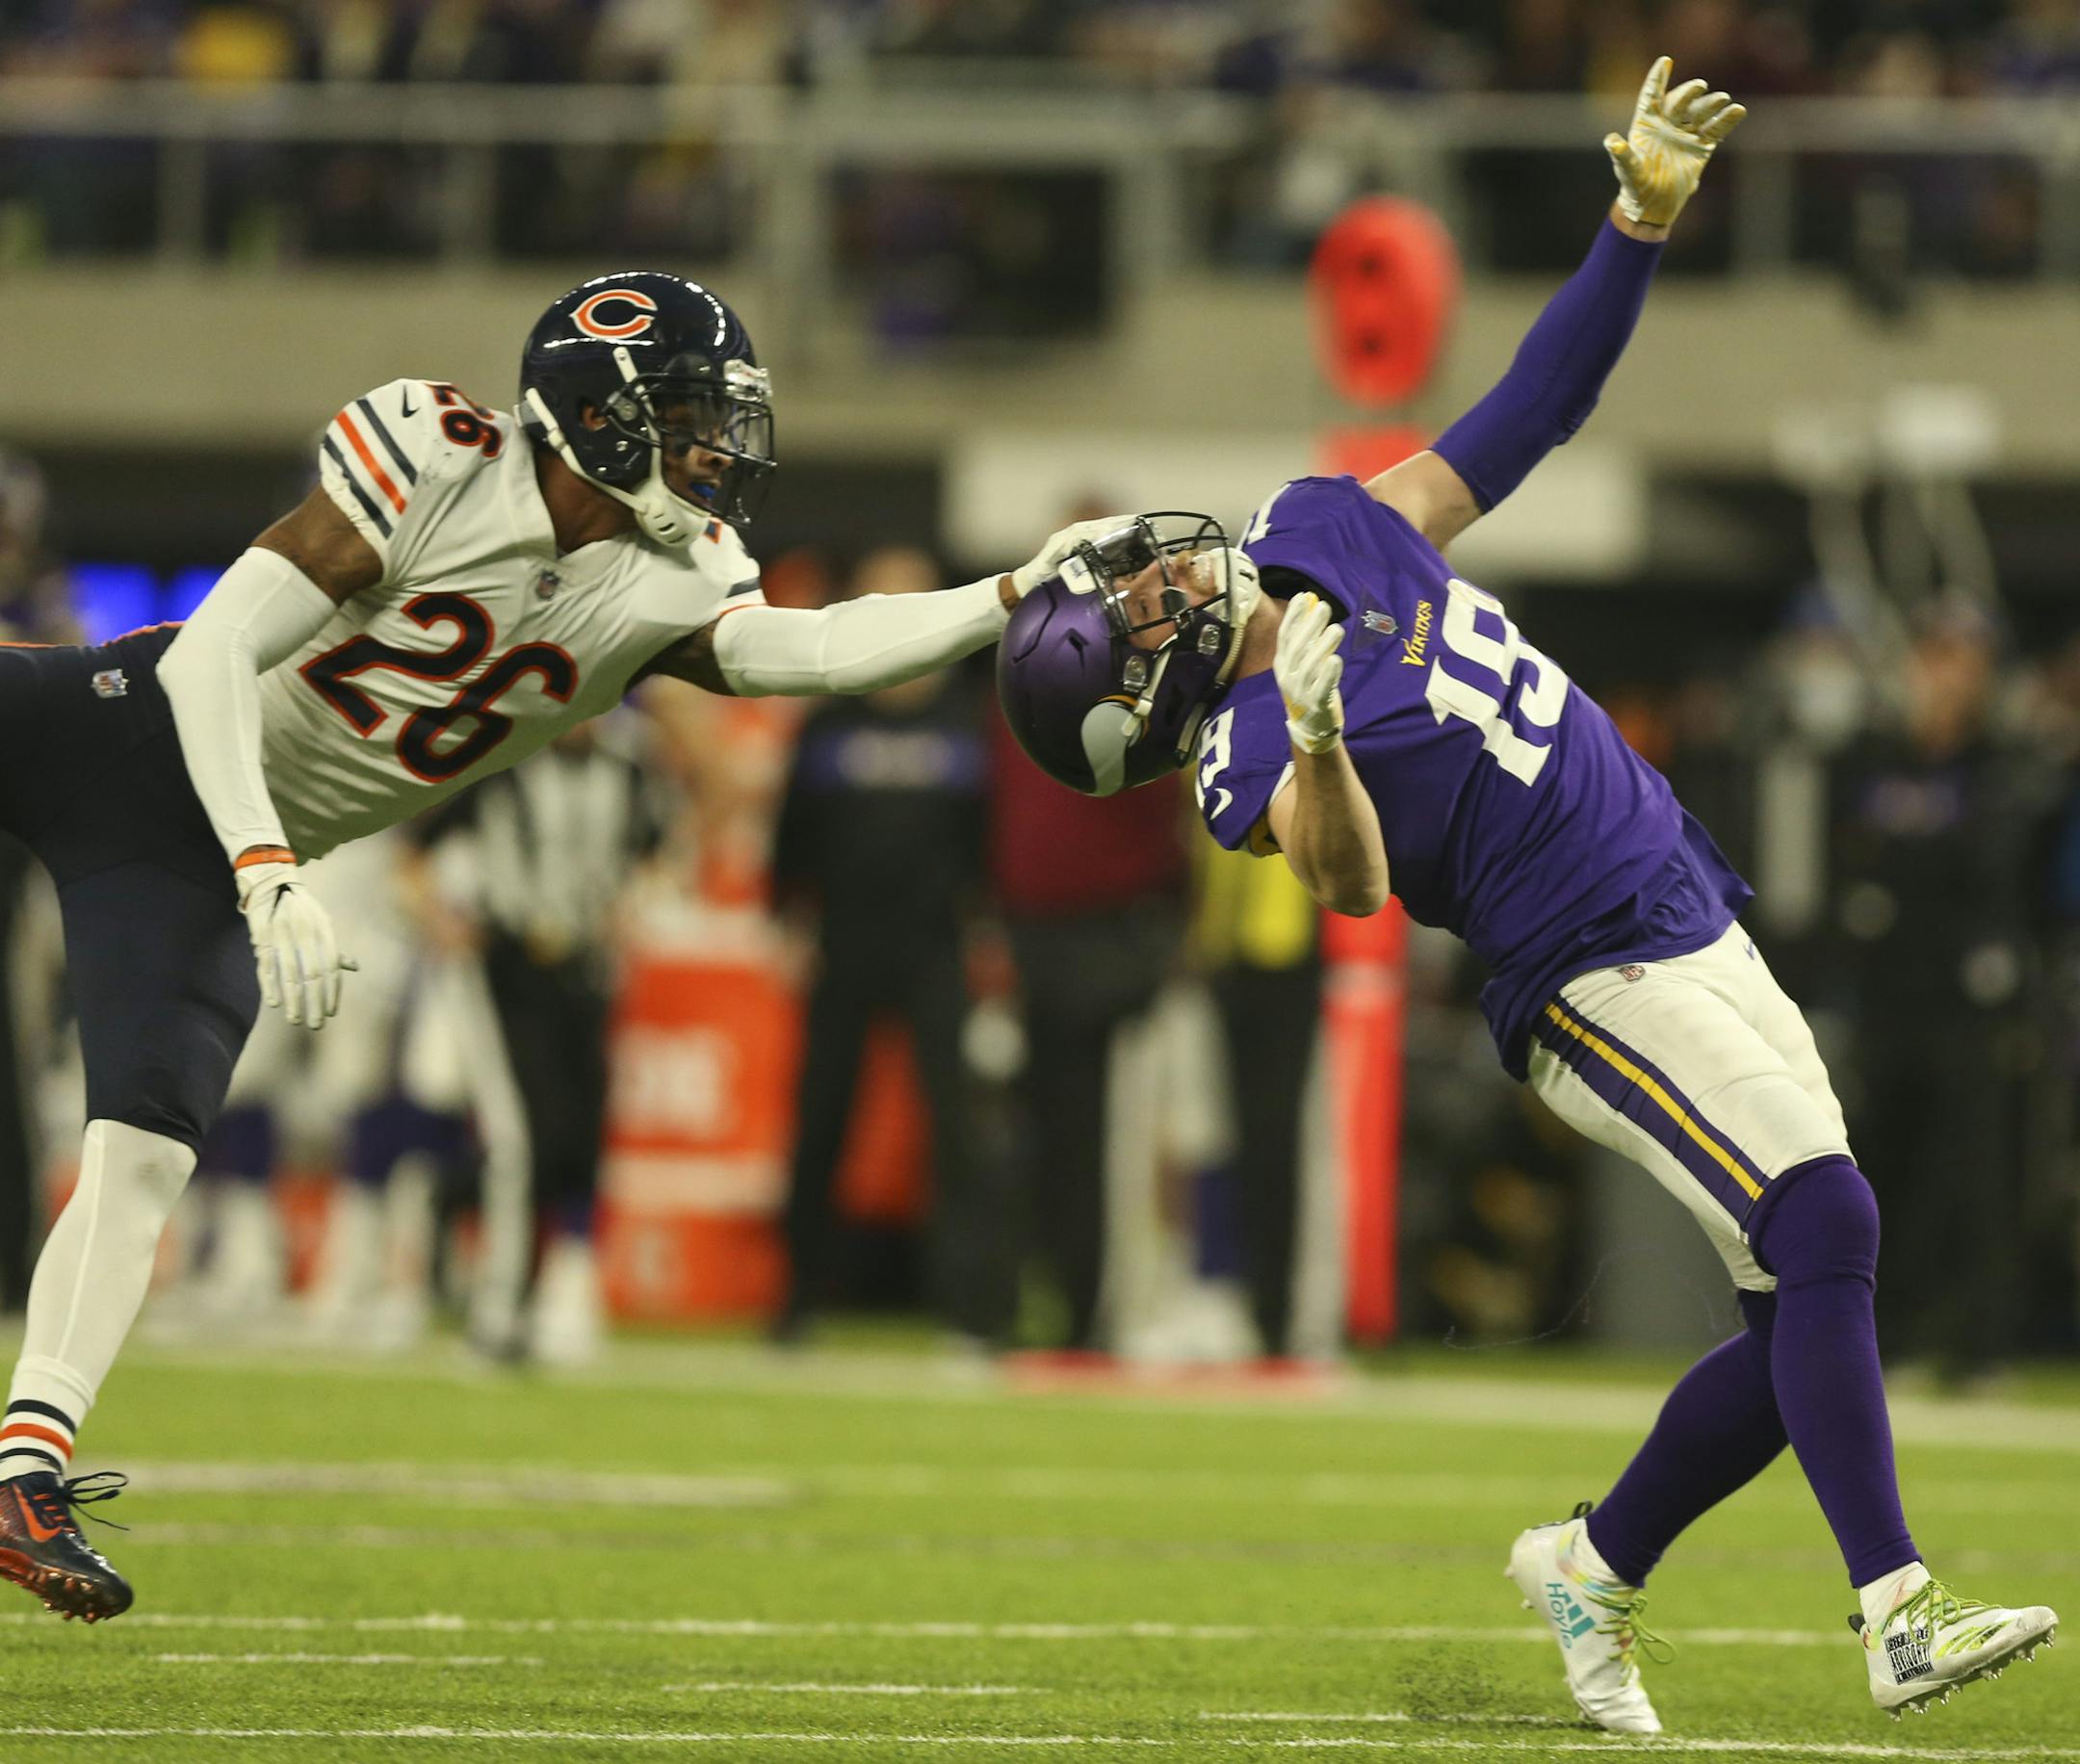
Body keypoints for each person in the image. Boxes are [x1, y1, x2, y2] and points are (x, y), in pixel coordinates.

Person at [996, 60, 2060, 1730]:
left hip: (1677, 895)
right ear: (1138, 695)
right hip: (1580, 970)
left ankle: (1592, 1560)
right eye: (1129, 609)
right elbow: (1347, 882)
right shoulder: (1235, 749)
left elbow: (1526, 414)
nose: (1156, 576)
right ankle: (1895, 1608)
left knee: (1806, 1310)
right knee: (1830, 1221)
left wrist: (1632, 226)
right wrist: (1333, 740)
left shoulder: (1323, 524)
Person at [0, 269, 1116, 1622]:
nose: (720, 447)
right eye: (695, 412)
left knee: (142, 1151)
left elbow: (818, 651)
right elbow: (209, 658)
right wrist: (264, 862)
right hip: (123, 737)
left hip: (211, 863)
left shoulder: (670, 575)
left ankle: (23, 1473)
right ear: (600, 413)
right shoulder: (435, 454)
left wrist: (1006, 592)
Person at [767, 547, 1001, 1350]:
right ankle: (795, 1302)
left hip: (937, 949)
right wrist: (787, 920)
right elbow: (789, 839)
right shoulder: (829, 718)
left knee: (958, 1133)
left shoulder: (971, 723)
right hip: (843, 948)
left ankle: (968, 1311)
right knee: (820, 1123)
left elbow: (990, 848)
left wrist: (987, 934)